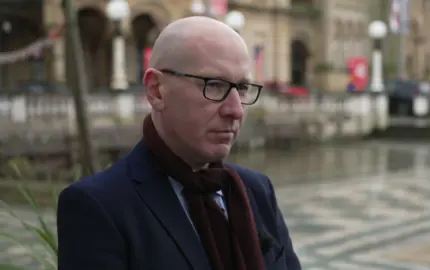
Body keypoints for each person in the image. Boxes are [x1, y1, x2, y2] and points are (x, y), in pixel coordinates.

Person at [57, 16, 301, 270]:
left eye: (241, 88)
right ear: (156, 90)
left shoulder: (257, 190)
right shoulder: (98, 207)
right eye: (214, 85)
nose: (236, 110)